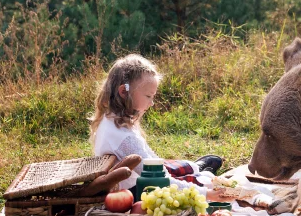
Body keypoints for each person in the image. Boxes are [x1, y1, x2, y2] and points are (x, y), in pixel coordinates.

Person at [89, 53, 227, 200]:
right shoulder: (122, 137)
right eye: (148, 96)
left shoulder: (114, 119)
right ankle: (198, 172)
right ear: (123, 92)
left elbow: (151, 159)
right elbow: (161, 182)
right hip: (136, 193)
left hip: (141, 180)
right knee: (202, 181)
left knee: (172, 167)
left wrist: (163, 170)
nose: (152, 103)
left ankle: (194, 168)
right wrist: (207, 194)